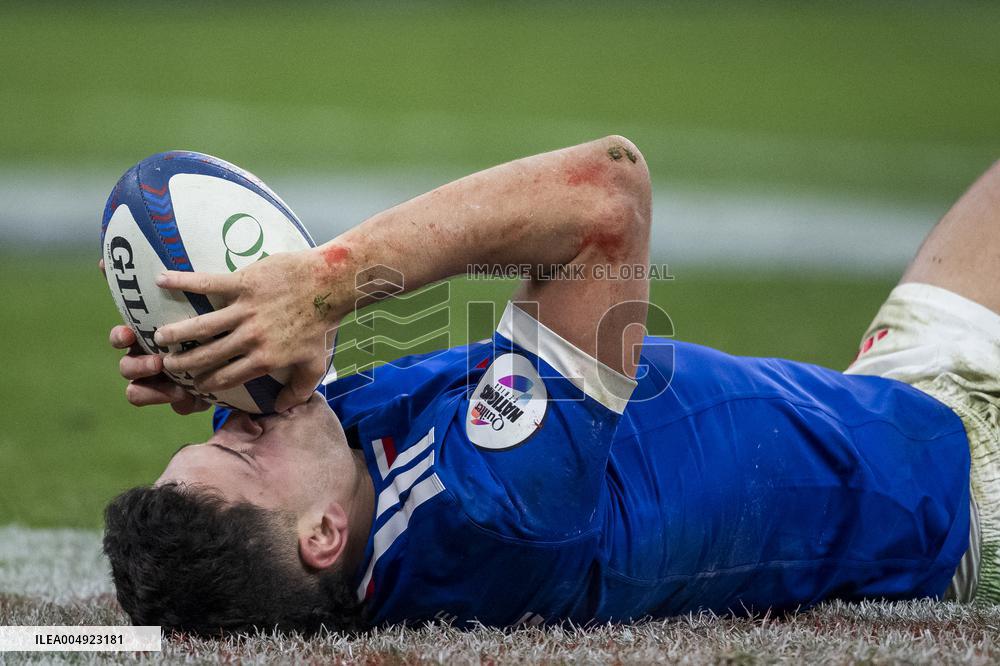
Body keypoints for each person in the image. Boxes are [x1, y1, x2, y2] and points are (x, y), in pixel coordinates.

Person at [101, 137, 999, 635]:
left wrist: (207, 344)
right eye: (239, 446)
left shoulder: (338, 486)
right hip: (964, 493)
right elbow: (607, 193)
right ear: (323, 536)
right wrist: (328, 283)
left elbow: (284, 402)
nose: (237, 418)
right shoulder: (492, 510)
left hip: (896, 406)